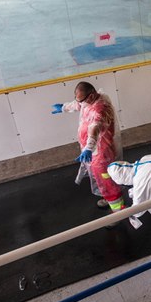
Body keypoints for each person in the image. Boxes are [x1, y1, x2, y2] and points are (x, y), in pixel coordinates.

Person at [51, 81, 124, 213]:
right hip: (95, 152)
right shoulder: (91, 101)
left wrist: (89, 148)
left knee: (107, 181)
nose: (81, 103)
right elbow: (78, 105)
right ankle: (108, 199)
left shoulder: (100, 109)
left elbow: (94, 129)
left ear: (90, 96)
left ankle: (118, 212)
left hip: (101, 153)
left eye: (82, 100)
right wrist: (64, 107)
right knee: (101, 179)